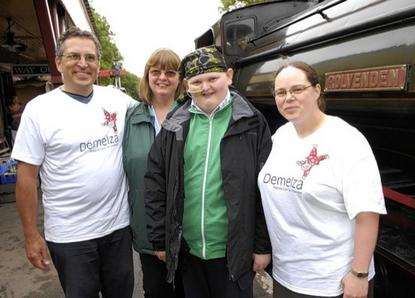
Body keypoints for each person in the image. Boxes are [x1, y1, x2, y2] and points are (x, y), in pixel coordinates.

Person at [12, 27, 136, 297]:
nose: (83, 63)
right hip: (70, 237)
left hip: (117, 229)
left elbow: (155, 111)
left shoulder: (118, 100)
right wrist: (31, 234)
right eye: (74, 56)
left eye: (90, 57)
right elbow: (26, 178)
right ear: (58, 62)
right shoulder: (39, 110)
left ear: (98, 63)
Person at [144, 46, 272, 298]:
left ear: (229, 76)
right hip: (188, 252)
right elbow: (155, 182)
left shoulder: (252, 122)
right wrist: (160, 239)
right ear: (186, 85)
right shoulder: (174, 125)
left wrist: (262, 245)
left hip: (233, 253)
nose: (206, 87)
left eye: (213, 78)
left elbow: (265, 190)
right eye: (196, 81)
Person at [258, 62, 387, 298]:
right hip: (286, 275)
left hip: (332, 282)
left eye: (297, 89)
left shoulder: (346, 140)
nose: (288, 98)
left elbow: (367, 213)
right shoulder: (280, 136)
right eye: (281, 92)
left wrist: (358, 275)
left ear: (317, 90)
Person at [123, 48, 184, 297]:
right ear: (147, 75)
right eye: (156, 71)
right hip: (147, 225)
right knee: (156, 290)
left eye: (170, 72)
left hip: (186, 228)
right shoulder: (130, 116)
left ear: (179, 79)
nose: (162, 78)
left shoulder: (192, 114)